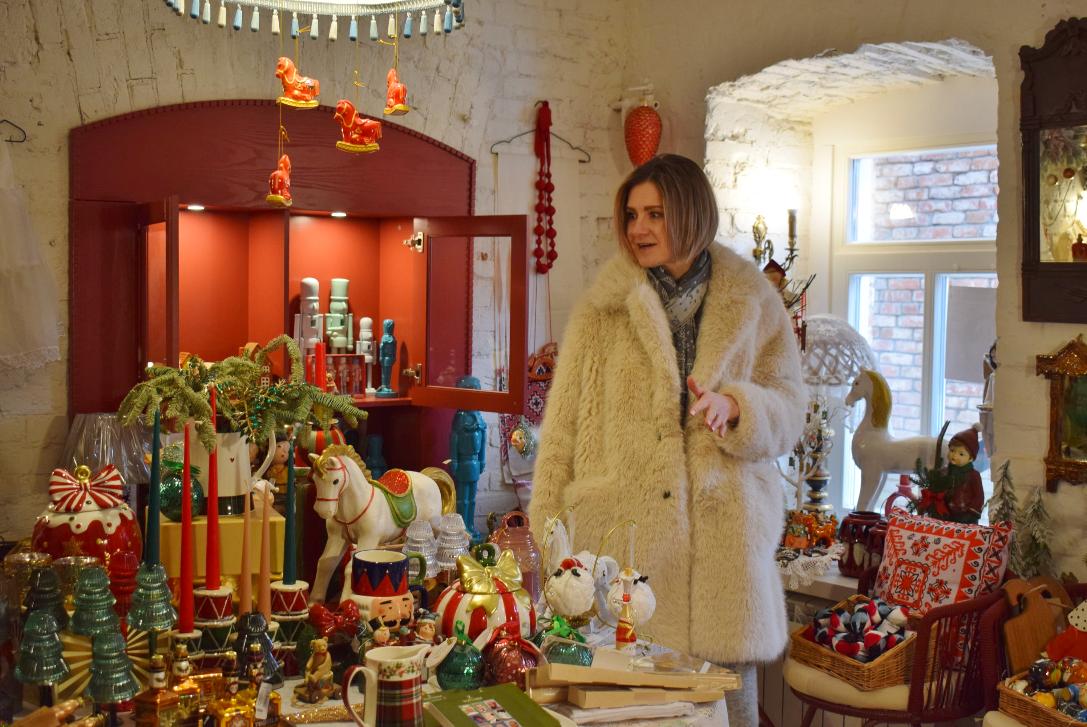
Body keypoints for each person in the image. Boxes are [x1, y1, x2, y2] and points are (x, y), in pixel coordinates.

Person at [527, 154, 805, 726]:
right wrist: (547, 536)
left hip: (723, 551)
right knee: (631, 711)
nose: (639, 228)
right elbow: (561, 430)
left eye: (655, 213)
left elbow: (790, 409)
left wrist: (738, 407)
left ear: (692, 213)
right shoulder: (602, 310)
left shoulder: (753, 301)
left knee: (730, 709)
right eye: (632, 215)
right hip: (626, 548)